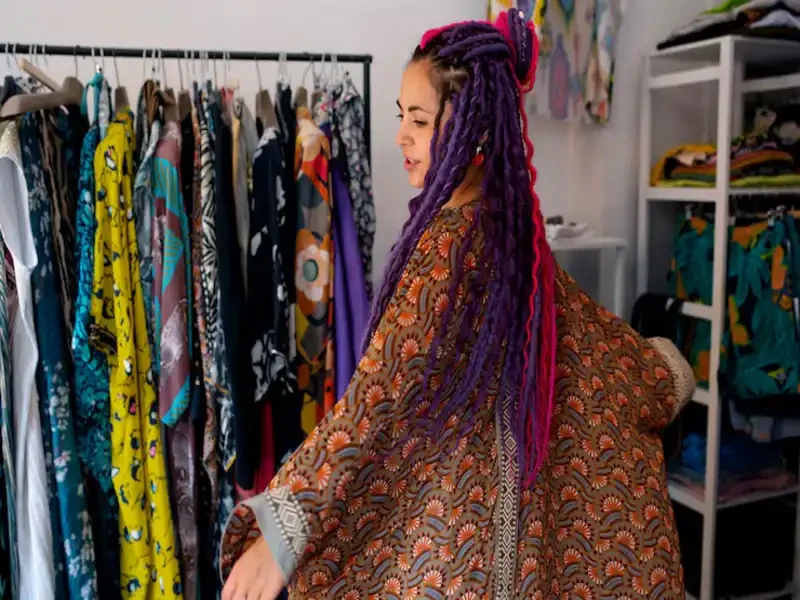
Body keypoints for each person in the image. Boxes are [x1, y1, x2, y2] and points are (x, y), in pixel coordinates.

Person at [220, 9, 694, 600]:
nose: (400, 135)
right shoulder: (511, 235)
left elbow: (376, 398)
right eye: (402, 117)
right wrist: (660, 372)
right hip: (514, 536)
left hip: (468, 548)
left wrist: (284, 533)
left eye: (419, 119)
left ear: (475, 128)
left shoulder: (449, 246)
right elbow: (600, 341)